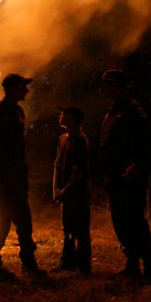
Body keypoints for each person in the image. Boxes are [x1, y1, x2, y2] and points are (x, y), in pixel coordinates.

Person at [0, 73, 47, 282]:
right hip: (3, 179)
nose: (26, 91)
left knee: (24, 222)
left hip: (17, 177)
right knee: (1, 223)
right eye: (22, 87)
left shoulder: (18, 111)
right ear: (11, 89)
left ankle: (29, 264)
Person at [98, 69, 151, 284]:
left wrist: (139, 164)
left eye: (109, 84)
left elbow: (148, 141)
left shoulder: (133, 110)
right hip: (115, 176)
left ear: (121, 87)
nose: (104, 88)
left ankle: (150, 269)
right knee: (121, 221)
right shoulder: (114, 110)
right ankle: (132, 265)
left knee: (134, 219)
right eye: (104, 84)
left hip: (130, 177)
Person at [53, 105, 92, 275]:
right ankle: (67, 261)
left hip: (78, 194)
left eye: (64, 115)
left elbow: (79, 171)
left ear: (74, 119)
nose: (61, 117)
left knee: (80, 229)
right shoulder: (63, 138)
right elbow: (56, 164)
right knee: (67, 228)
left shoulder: (80, 140)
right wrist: (55, 188)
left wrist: (66, 190)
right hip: (66, 193)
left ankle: (84, 266)